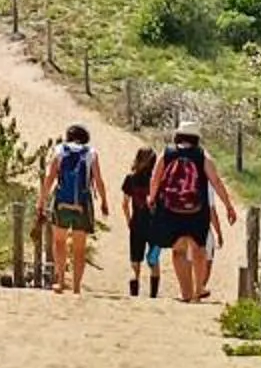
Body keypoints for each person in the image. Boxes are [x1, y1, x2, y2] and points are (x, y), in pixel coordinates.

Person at [152, 118, 237, 303]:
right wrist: (228, 205)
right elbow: (216, 181)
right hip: (197, 210)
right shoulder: (202, 156)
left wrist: (152, 198)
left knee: (178, 250)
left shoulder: (166, 153)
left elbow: (156, 178)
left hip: (171, 209)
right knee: (199, 249)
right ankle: (198, 291)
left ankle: (185, 292)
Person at [37, 124, 105, 294]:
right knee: (79, 249)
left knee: (59, 242)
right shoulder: (91, 153)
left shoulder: (60, 150)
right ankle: (76, 287)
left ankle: (60, 282)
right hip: (82, 203)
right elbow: (98, 180)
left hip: (61, 202)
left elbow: (50, 177)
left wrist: (42, 201)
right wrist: (104, 201)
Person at [119, 144, 168, 298]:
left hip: (137, 223)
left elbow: (125, 203)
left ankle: (134, 293)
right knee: (154, 260)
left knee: (135, 262)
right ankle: (153, 295)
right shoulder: (158, 180)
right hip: (154, 225)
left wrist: (129, 220)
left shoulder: (130, 179)